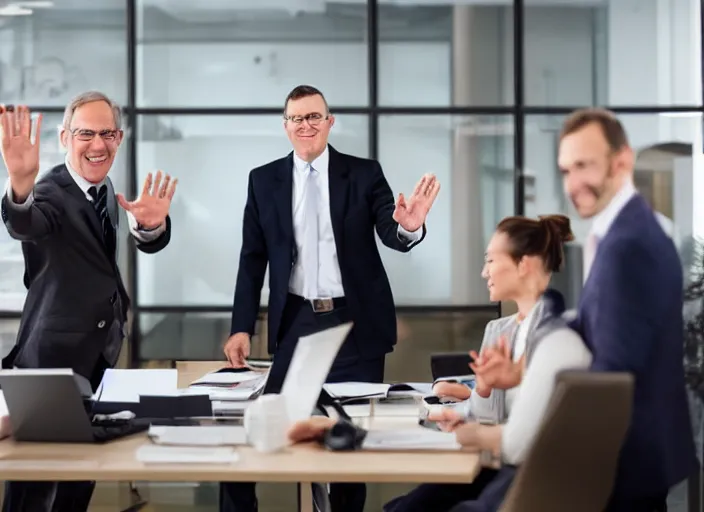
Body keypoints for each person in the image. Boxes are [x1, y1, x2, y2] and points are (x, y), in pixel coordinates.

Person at [220, 84, 440, 512]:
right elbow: (252, 259)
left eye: (314, 117)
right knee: (257, 433)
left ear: (329, 122)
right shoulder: (263, 180)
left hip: (353, 325)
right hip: (296, 323)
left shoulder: (363, 173)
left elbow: (391, 231)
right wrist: (241, 327)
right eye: (297, 118)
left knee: (348, 446)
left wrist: (409, 226)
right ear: (285, 126)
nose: (306, 125)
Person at [0, 93, 176, 512]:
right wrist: (20, 184)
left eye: (107, 134)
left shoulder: (102, 188)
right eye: (85, 134)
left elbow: (121, 253)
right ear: (64, 137)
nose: (98, 145)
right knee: (35, 489)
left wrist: (151, 228)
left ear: (118, 137)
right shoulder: (51, 192)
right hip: (51, 363)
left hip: (95, 358)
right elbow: (26, 222)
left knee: (79, 481)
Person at [382, 214, 580, 512]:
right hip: (499, 462)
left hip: (519, 472)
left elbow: (531, 434)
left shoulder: (554, 336)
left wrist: (475, 431)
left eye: (490, 260)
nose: (483, 272)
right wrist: (483, 389)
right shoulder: (500, 330)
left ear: (523, 265)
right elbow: (489, 414)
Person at [557, 108, 697, 511]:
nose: (572, 183)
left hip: (626, 459)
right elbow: (604, 329)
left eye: (583, 166)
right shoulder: (624, 233)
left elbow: (613, 369)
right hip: (637, 453)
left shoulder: (627, 245)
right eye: (566, 170)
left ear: (622, 161)